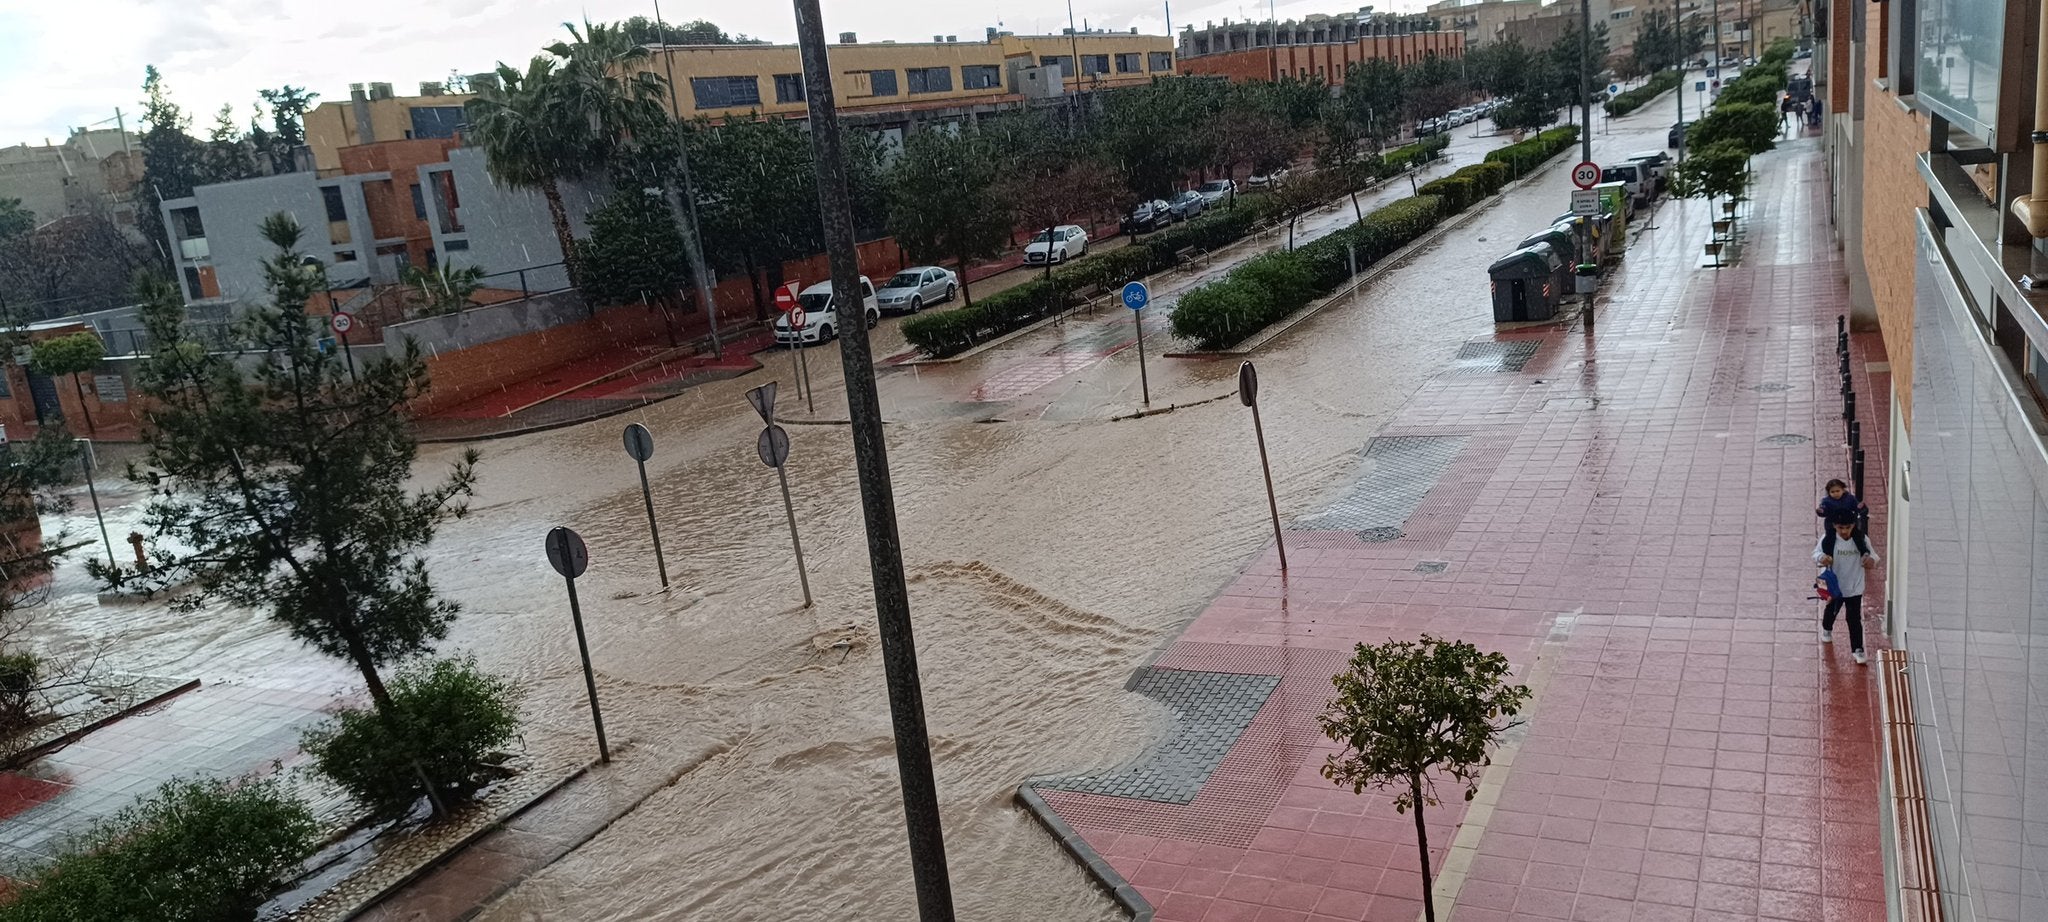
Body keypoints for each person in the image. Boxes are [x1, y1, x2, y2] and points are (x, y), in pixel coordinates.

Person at [1814, 512, 1879, 664]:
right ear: (1835, 526)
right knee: (1832, 610)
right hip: (1834, 586)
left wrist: (1871, 561)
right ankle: (1827, 628)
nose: (1844, 531)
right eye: (1840, 528)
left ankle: (1857, 648)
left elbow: (1875, 557)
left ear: (1853, 526)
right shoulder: (1828, 539)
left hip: (1854, 586)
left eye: (1848, 527)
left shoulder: (1861, 540)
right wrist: (1821, 558)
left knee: (1854, 618)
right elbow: (1815, 553)